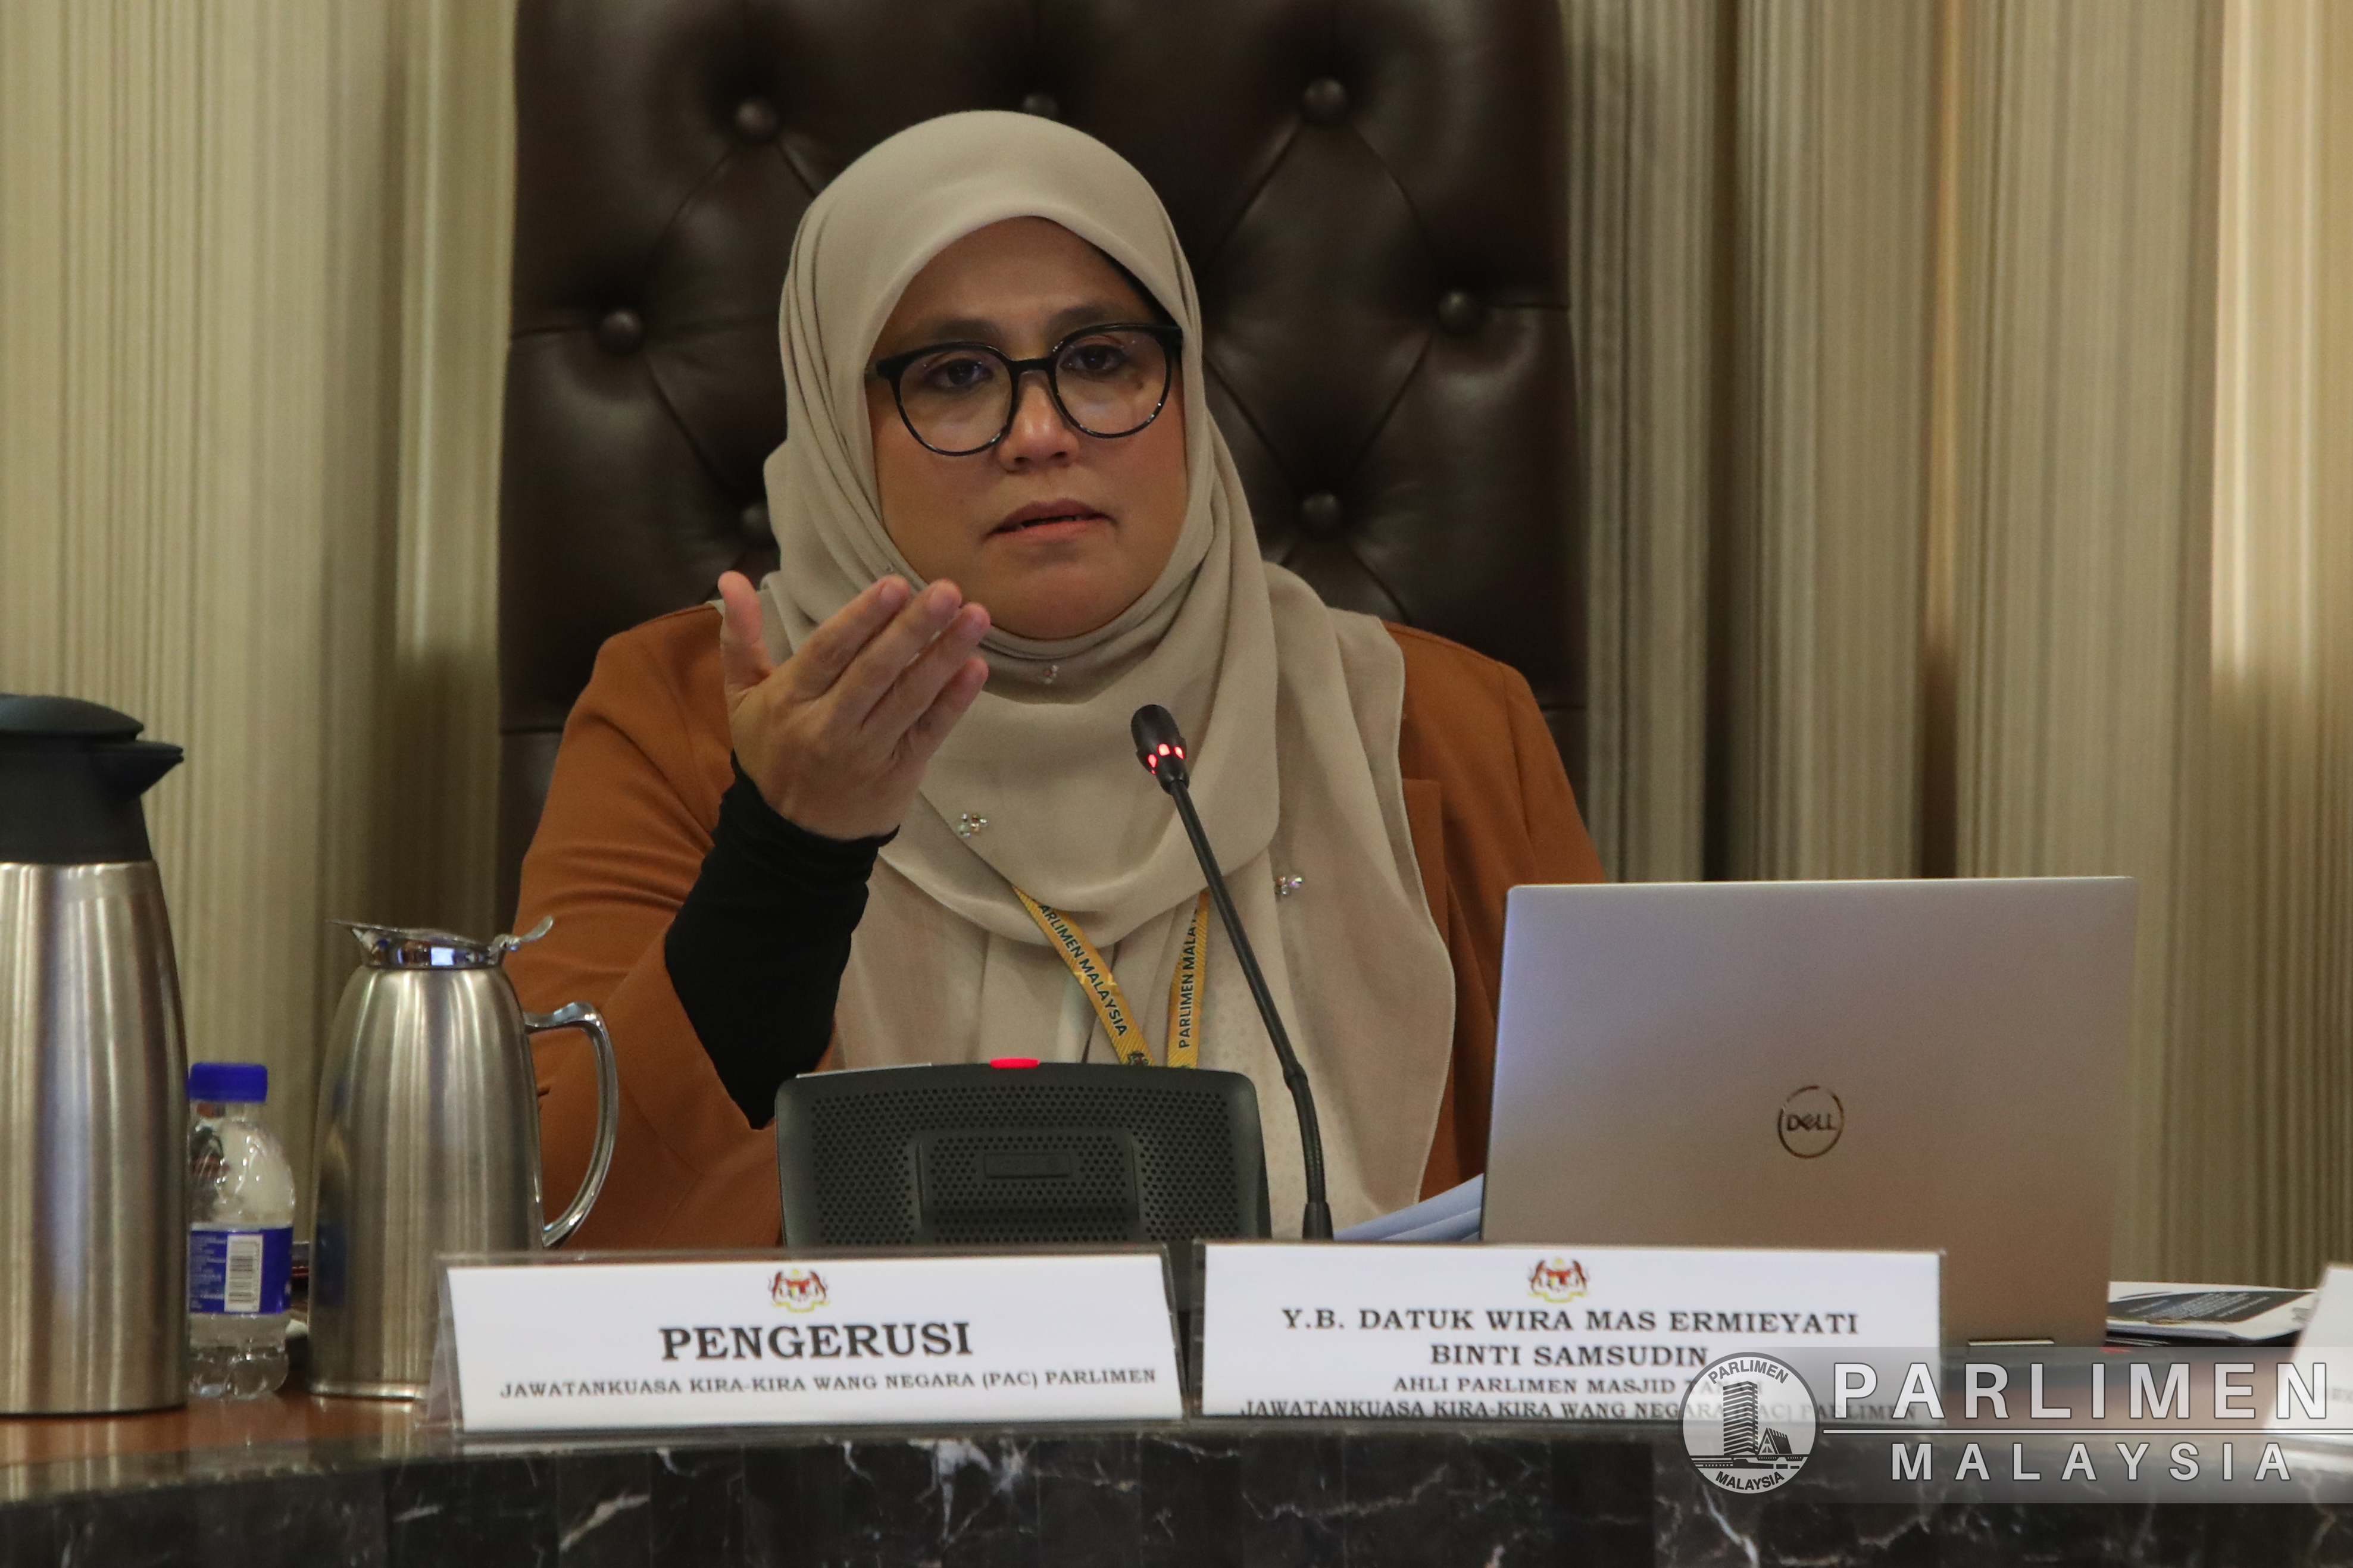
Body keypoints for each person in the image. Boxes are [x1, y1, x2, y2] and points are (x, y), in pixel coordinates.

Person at [510, 111, 1602, 1250]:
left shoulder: (1443, 726)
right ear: (839, 422)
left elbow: (1622, 1206)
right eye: (955, 375)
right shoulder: (685, 714)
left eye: (1099, 360)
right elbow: (559, 1222)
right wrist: (788, 855)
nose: (1039, 433)